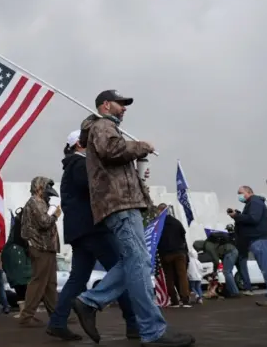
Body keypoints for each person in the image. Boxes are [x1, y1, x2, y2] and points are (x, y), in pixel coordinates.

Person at [72, 90, 194, 347]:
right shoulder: (103, 125)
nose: (124, 108)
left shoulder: (100, 127)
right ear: (106, 105)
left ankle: (90, 301)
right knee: (138, 263)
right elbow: (111, 150)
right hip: (120, 205)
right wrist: (141, 147)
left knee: (136, 262)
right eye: (121, 103)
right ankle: (152, 330)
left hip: (122, 204)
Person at [47, 129, 140, 341]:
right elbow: (97, 188)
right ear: (80, 144)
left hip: (80, 231)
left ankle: (57, 322)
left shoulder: (72, 165)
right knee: (122, 271)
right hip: (93, 229)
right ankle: (133, 323)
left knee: (77, 280)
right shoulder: (80, 165)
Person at [229, 186, 267, 306]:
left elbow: (253, 218)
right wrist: (239, 215)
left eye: (241, 193)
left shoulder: (254, 201)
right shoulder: (254, 203)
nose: (239, 195)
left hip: (260, 240)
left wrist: (236, 216)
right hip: (260, 239)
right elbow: (253, 218)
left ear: (249, 192)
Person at [18, 177, 61, 328]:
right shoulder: (35, 202)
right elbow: (44, 222)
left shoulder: (41, 202)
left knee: (50, 284)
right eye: (46, 187)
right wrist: (55, 214)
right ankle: (26, 316)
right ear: (39, 188)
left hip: (47, 248)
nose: (48, 191)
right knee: (38, 282)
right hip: (40, 247)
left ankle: (57, 316)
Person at [156, 203, 191, 307]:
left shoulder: (158, 224)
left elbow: (155, 240)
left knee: (169, 277)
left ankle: (174, 300)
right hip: (179, 252)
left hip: (165, 254)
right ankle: (185, 299)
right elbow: (183, 237)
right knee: (182, 276)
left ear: (159, 210)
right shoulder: (176, 222)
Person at [1, 208, 32, 318]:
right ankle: (25, 313)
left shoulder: (15, 233)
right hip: (21, 260)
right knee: (24, 288)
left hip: (17, 262)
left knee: (21, 288)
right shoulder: (23, 230)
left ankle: (24, 312)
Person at [202, 230, 240, 298]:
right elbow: (219, 258)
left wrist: (214, 271)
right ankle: (231, 291)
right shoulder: (215, 244)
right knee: (227, 272)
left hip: (229, 252)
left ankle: (234, 292)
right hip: (231, 251)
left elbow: (216, 260)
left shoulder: (209, 246)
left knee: (227, 272)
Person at [226, 224, 253, 295]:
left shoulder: (228, 237)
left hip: (237, 256)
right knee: (243, 272)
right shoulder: (242, 235)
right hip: (243, 255)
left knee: (230, 271)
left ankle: (246, 289)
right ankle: (248, 288)